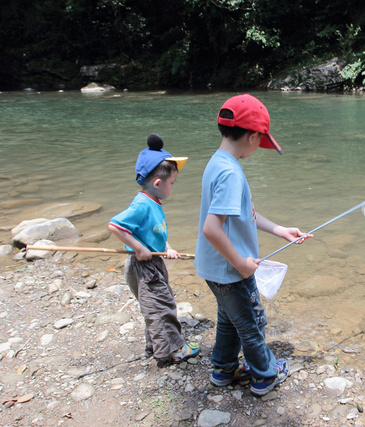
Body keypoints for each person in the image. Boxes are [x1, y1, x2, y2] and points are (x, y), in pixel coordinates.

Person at [195, 94, 311, 396]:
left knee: (230, 319)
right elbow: (212, 229)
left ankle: (223, 369)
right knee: (252, 322)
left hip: (214, 269)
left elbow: (247, 214)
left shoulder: (217, 162)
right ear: (251, 136)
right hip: (231, 270)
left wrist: (280, 230)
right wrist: (241, 263)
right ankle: (265, 375)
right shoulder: (231, 173)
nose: (260, 147)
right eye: (261, 140)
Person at [108, 134, 199, 366]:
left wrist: (167, 248)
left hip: (153, 261)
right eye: (172, 183)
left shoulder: (153, 202)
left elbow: (154, 234)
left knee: (153, 304)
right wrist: (139, 249)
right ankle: (173, 349)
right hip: (144, 266)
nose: (172, 188)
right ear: (158, 184)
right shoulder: (141, 204)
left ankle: (154, 343)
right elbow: (115, 226)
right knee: (162, 307)